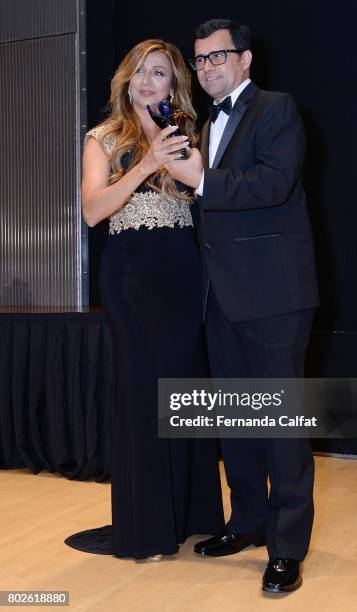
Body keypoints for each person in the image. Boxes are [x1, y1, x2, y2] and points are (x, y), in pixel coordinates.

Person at [165, 19, 319, 592]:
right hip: (221, 298)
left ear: (246, 59)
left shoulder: (277, 109)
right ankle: (248, 521)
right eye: (200, 60)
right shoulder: (204, 124)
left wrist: (201, 182)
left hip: (275, 298)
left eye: (218, 56)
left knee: (279, 424)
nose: (207, 67)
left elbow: (273, 184)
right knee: (235, 419)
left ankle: (287, 547)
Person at [64, 39, 224, 561]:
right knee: (143, 391)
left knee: (185, 389)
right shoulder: (103, 138)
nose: (147, 81)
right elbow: (92, 212)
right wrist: (144, 163)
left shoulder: (185, 135)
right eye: (139, 72)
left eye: (159, 72)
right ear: (126, 81)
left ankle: (195, 516)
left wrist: (178, 153)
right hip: (131, 275)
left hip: (183, 273)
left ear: (174, 82)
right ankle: (147, 527)